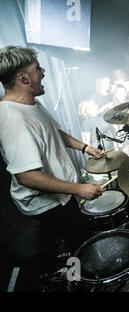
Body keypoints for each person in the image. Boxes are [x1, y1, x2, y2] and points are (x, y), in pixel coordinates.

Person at [0, 46, 104, 281]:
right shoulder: (12, 120)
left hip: (62, 195)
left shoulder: (31, 103)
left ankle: (77, 274)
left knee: (81, 239)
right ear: (23, 78)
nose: (44, 71)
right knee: (77, 247)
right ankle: (78, 282)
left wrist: (85, 148)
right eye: (37, 68)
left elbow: (54, 132)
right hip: (47, 206)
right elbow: (27, 176)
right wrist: (80, 189)